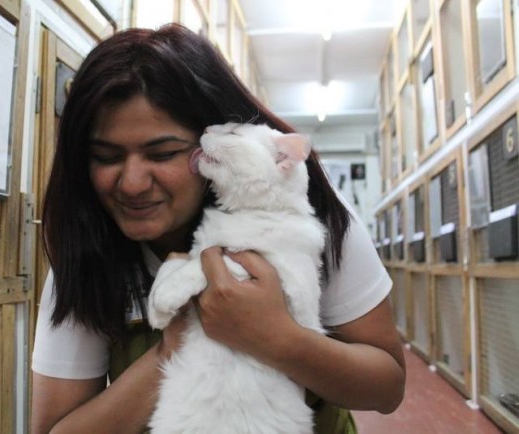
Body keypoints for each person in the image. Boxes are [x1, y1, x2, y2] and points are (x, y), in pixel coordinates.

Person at [31, 23, 405, 434]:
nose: (132, 183)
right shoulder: (87, 252)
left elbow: (387, 387)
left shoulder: (309, 218)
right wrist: (173, 348)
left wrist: (279, 338)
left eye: (163, 153)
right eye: (106, 156)